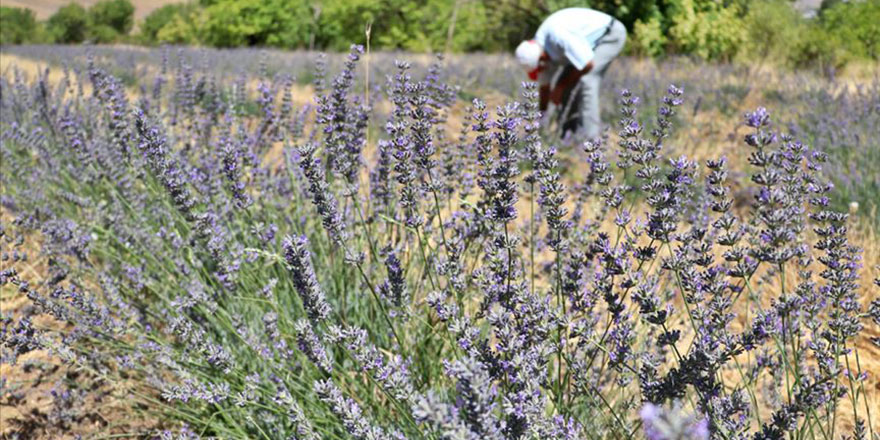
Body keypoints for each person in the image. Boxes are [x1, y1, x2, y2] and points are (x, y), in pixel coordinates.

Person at [516, 8, 627, 139]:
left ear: (542, 59)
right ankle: (568, 137)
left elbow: (587, 64)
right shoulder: (539, 54)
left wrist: (559, 87)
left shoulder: (557, 35)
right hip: (585, 49)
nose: (541, 72)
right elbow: (545, 90)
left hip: (609, 34)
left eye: (539, 68)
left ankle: (592, 141)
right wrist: (538, 127)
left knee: (587, 80)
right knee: (566, 84)